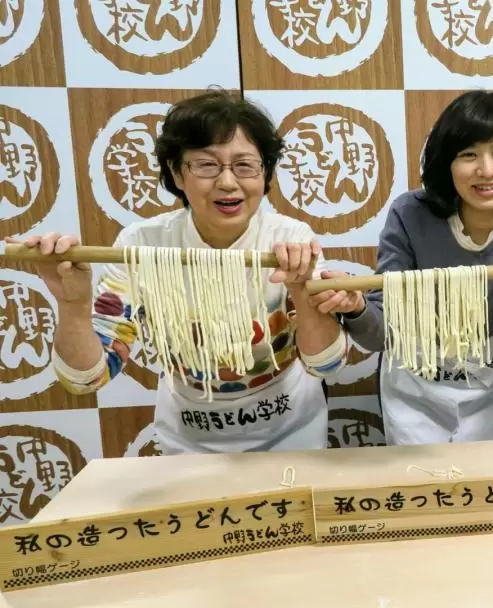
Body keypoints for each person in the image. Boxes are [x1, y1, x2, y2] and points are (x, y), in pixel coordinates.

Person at [7, 90, 355, 455]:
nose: (227, 182)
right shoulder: (143, 245)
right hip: (190, 442)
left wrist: (302, 292)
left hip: (291, 435)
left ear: (265, 172)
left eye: (244, 165)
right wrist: (72, 304)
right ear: (176, 171)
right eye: (206, 165)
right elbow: (87, 378)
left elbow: (327, 364)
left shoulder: (288, 240)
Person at [337, 90, 493, 445]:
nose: (487, 170)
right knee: (421, 486)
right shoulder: (410, 214)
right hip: (414, 378)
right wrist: (358, 308)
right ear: (446, 162)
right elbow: (380, 335)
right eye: (468, 154)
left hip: (491, 376)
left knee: (489, 487)